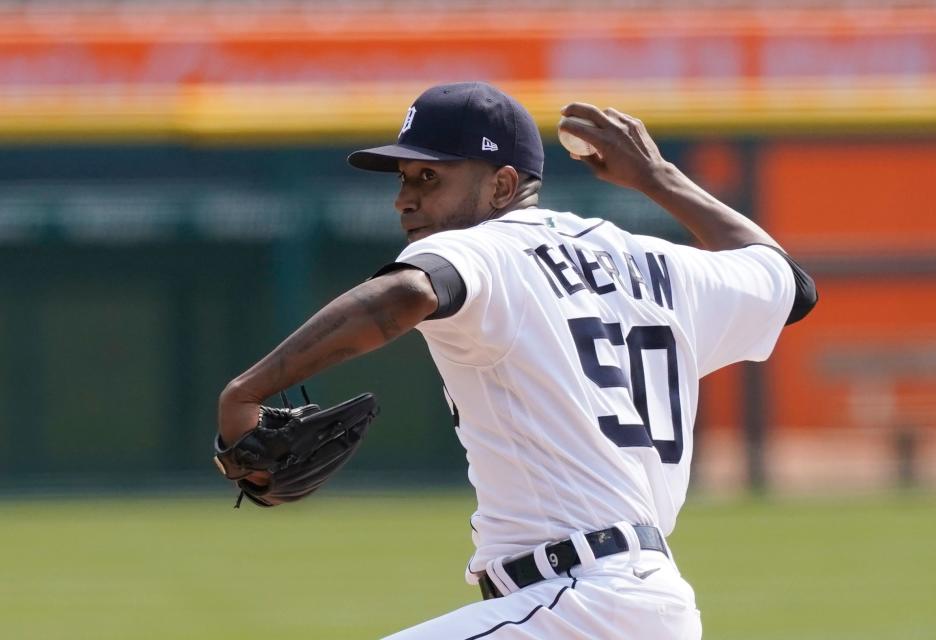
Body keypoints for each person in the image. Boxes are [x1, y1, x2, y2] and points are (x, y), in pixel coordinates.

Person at [217, 81, 817, 639]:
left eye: (429, 177)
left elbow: (405, 294)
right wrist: (659, 179)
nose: (404, 199)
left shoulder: (486, 245)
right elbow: (789, 284)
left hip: (579, 604)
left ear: (502, 187)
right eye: (402, 178)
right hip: (632, 602)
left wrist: (243, 393)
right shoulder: (653, 263)